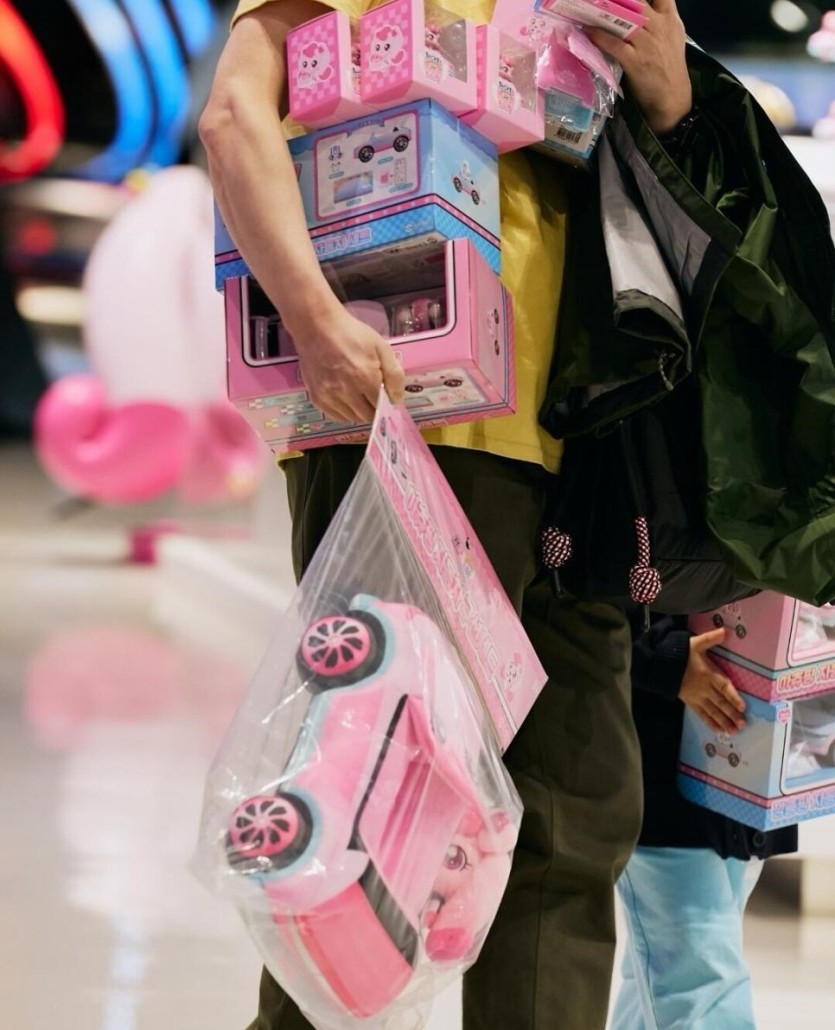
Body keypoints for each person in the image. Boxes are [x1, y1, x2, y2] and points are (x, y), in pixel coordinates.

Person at [198, 1, 834, 1027]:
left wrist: (667, 84)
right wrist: (312, 319)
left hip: (588, 449)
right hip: (415, 422)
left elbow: (682, 200)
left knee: (574, 809)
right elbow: (235, 114)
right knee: (367, 795)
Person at [610, 616, 798, 1030]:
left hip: (749, 776)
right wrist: (664, 659)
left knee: (665, 978)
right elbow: (589, 592)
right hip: (665, 770)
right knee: (702, 988)